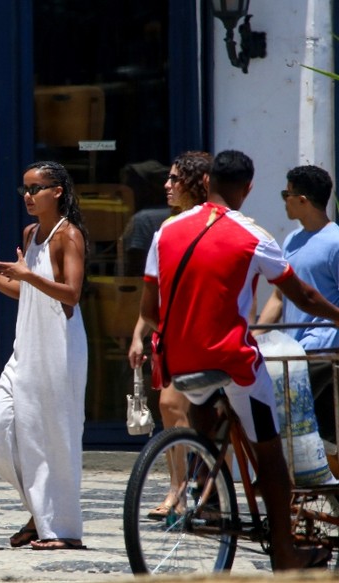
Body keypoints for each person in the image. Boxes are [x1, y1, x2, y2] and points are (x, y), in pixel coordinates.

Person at [140, 149, 337, 570]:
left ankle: (210, 499)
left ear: (207, 181)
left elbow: (151, 310)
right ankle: (286, 552)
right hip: (233, 361)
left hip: (181, 362)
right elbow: (301, 296)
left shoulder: (166, 231)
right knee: (270, 454)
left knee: (208, 427)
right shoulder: (254, 235)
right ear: (248, 188)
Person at [0, 161, 88, 551]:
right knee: (3, 432)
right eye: (24, 190)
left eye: (36, 189)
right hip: (26, 346)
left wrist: (26, 275)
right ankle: (39, 511)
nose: (28, 197)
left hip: (59, 349)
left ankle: (61, 530)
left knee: (55, 439)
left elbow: (71, 294)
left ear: (57, 192)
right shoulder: (32, 233)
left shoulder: (69, 237)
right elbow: (24, 291)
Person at [127, 150, 212, 520]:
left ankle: (201, 490)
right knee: (169, 407)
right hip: (172, 335)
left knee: (199, 415)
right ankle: (178, 487)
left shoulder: (215, 225)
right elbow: (157, 293)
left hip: (207, 336)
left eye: (175, 179)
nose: (167, 185)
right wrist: (138, 335)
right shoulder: (164, 230)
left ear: (197, 183)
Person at [256, 165, 338, 445]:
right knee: (316, 430)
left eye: (286, 194)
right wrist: (254, 335)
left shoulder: (335, 242)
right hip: (292, 352)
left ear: (302, 200)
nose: (284, 201)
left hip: (323, 353)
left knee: (289, 419)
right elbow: (279, 296)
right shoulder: (291, 240)